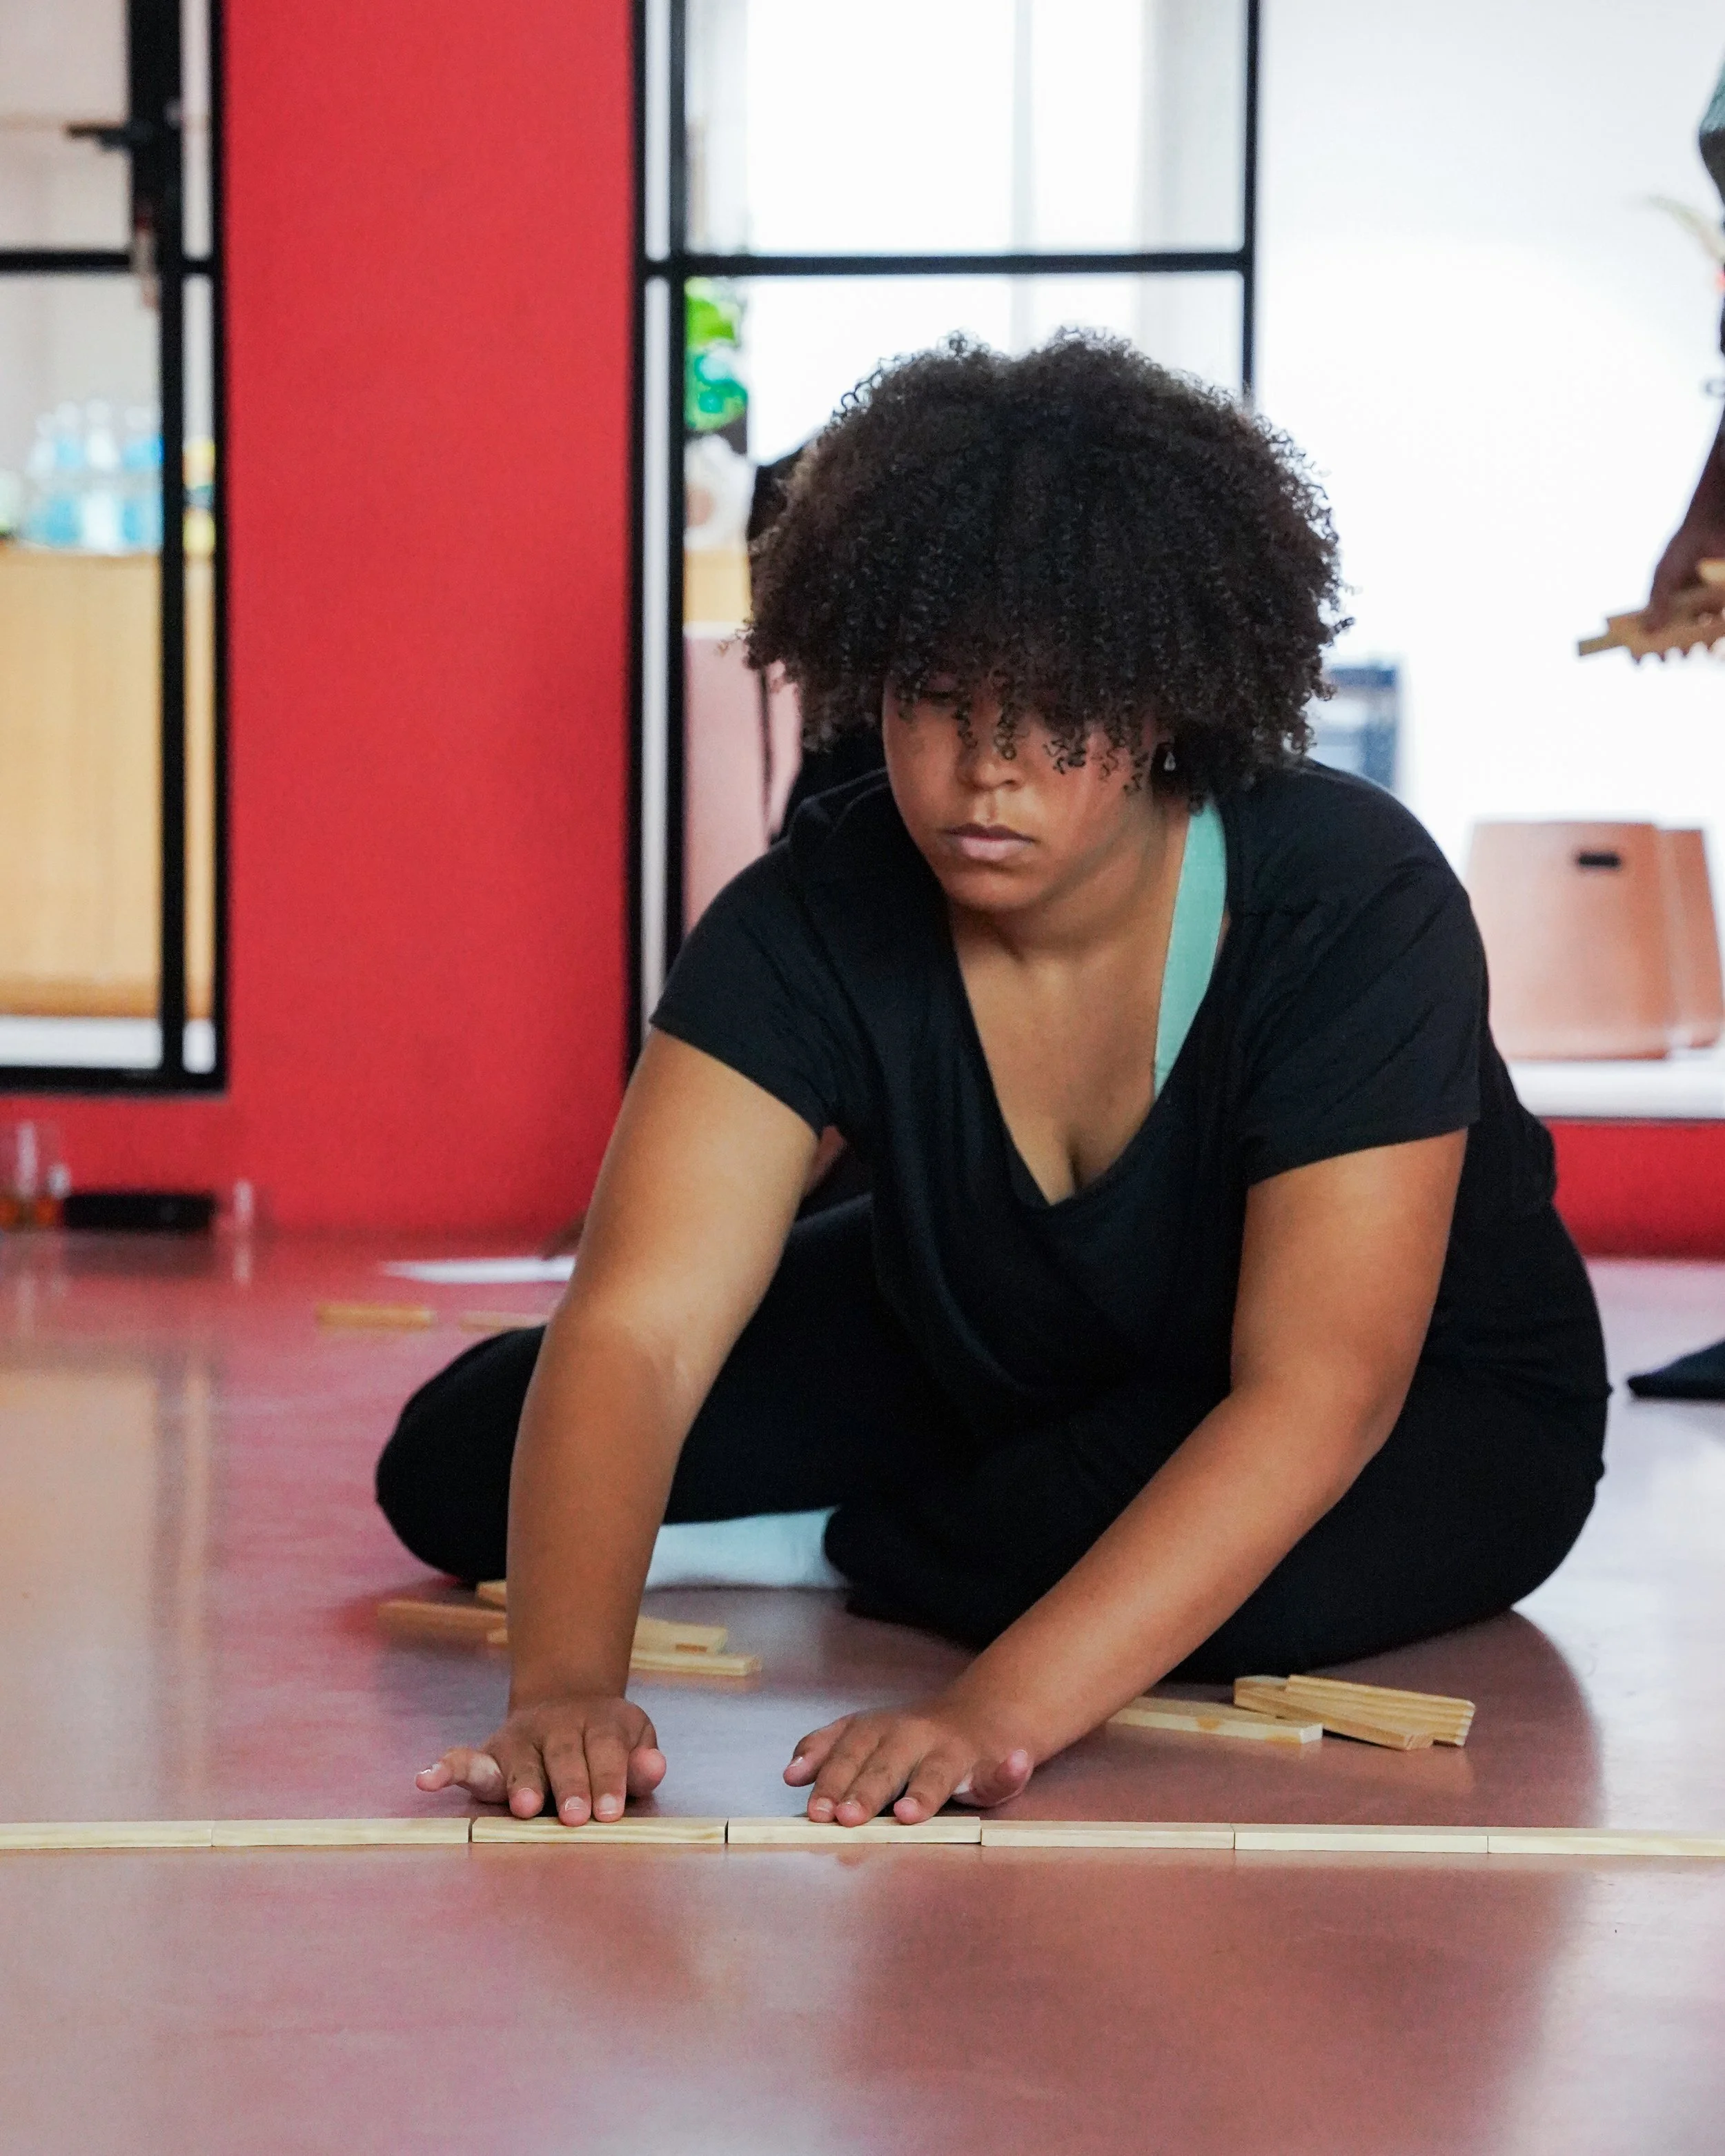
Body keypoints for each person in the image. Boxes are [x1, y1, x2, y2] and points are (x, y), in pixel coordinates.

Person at [386, 334, 1608, 1832]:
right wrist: (563, 1682)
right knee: (454, 1471)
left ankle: (861, 1541)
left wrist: (990, 1711)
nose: (988, 771)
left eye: (1055, 708)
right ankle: (955, 1515)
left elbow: (1316, 1392)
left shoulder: (1344, 894)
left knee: (1240, 1597)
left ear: (1165, 701)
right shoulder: (810, 911)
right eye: (938, 700)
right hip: (1000, 1333)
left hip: (1421, 1396)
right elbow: (636, 1327)